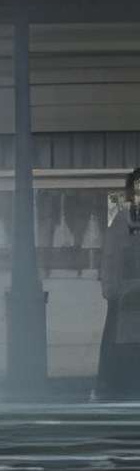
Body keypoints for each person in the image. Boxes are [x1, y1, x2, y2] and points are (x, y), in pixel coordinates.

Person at [99, 170, 140, 400]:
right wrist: (111, 290)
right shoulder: (121, 222)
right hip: (123, 301)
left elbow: (110, 259)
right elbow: (111, 259)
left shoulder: (121, 222)